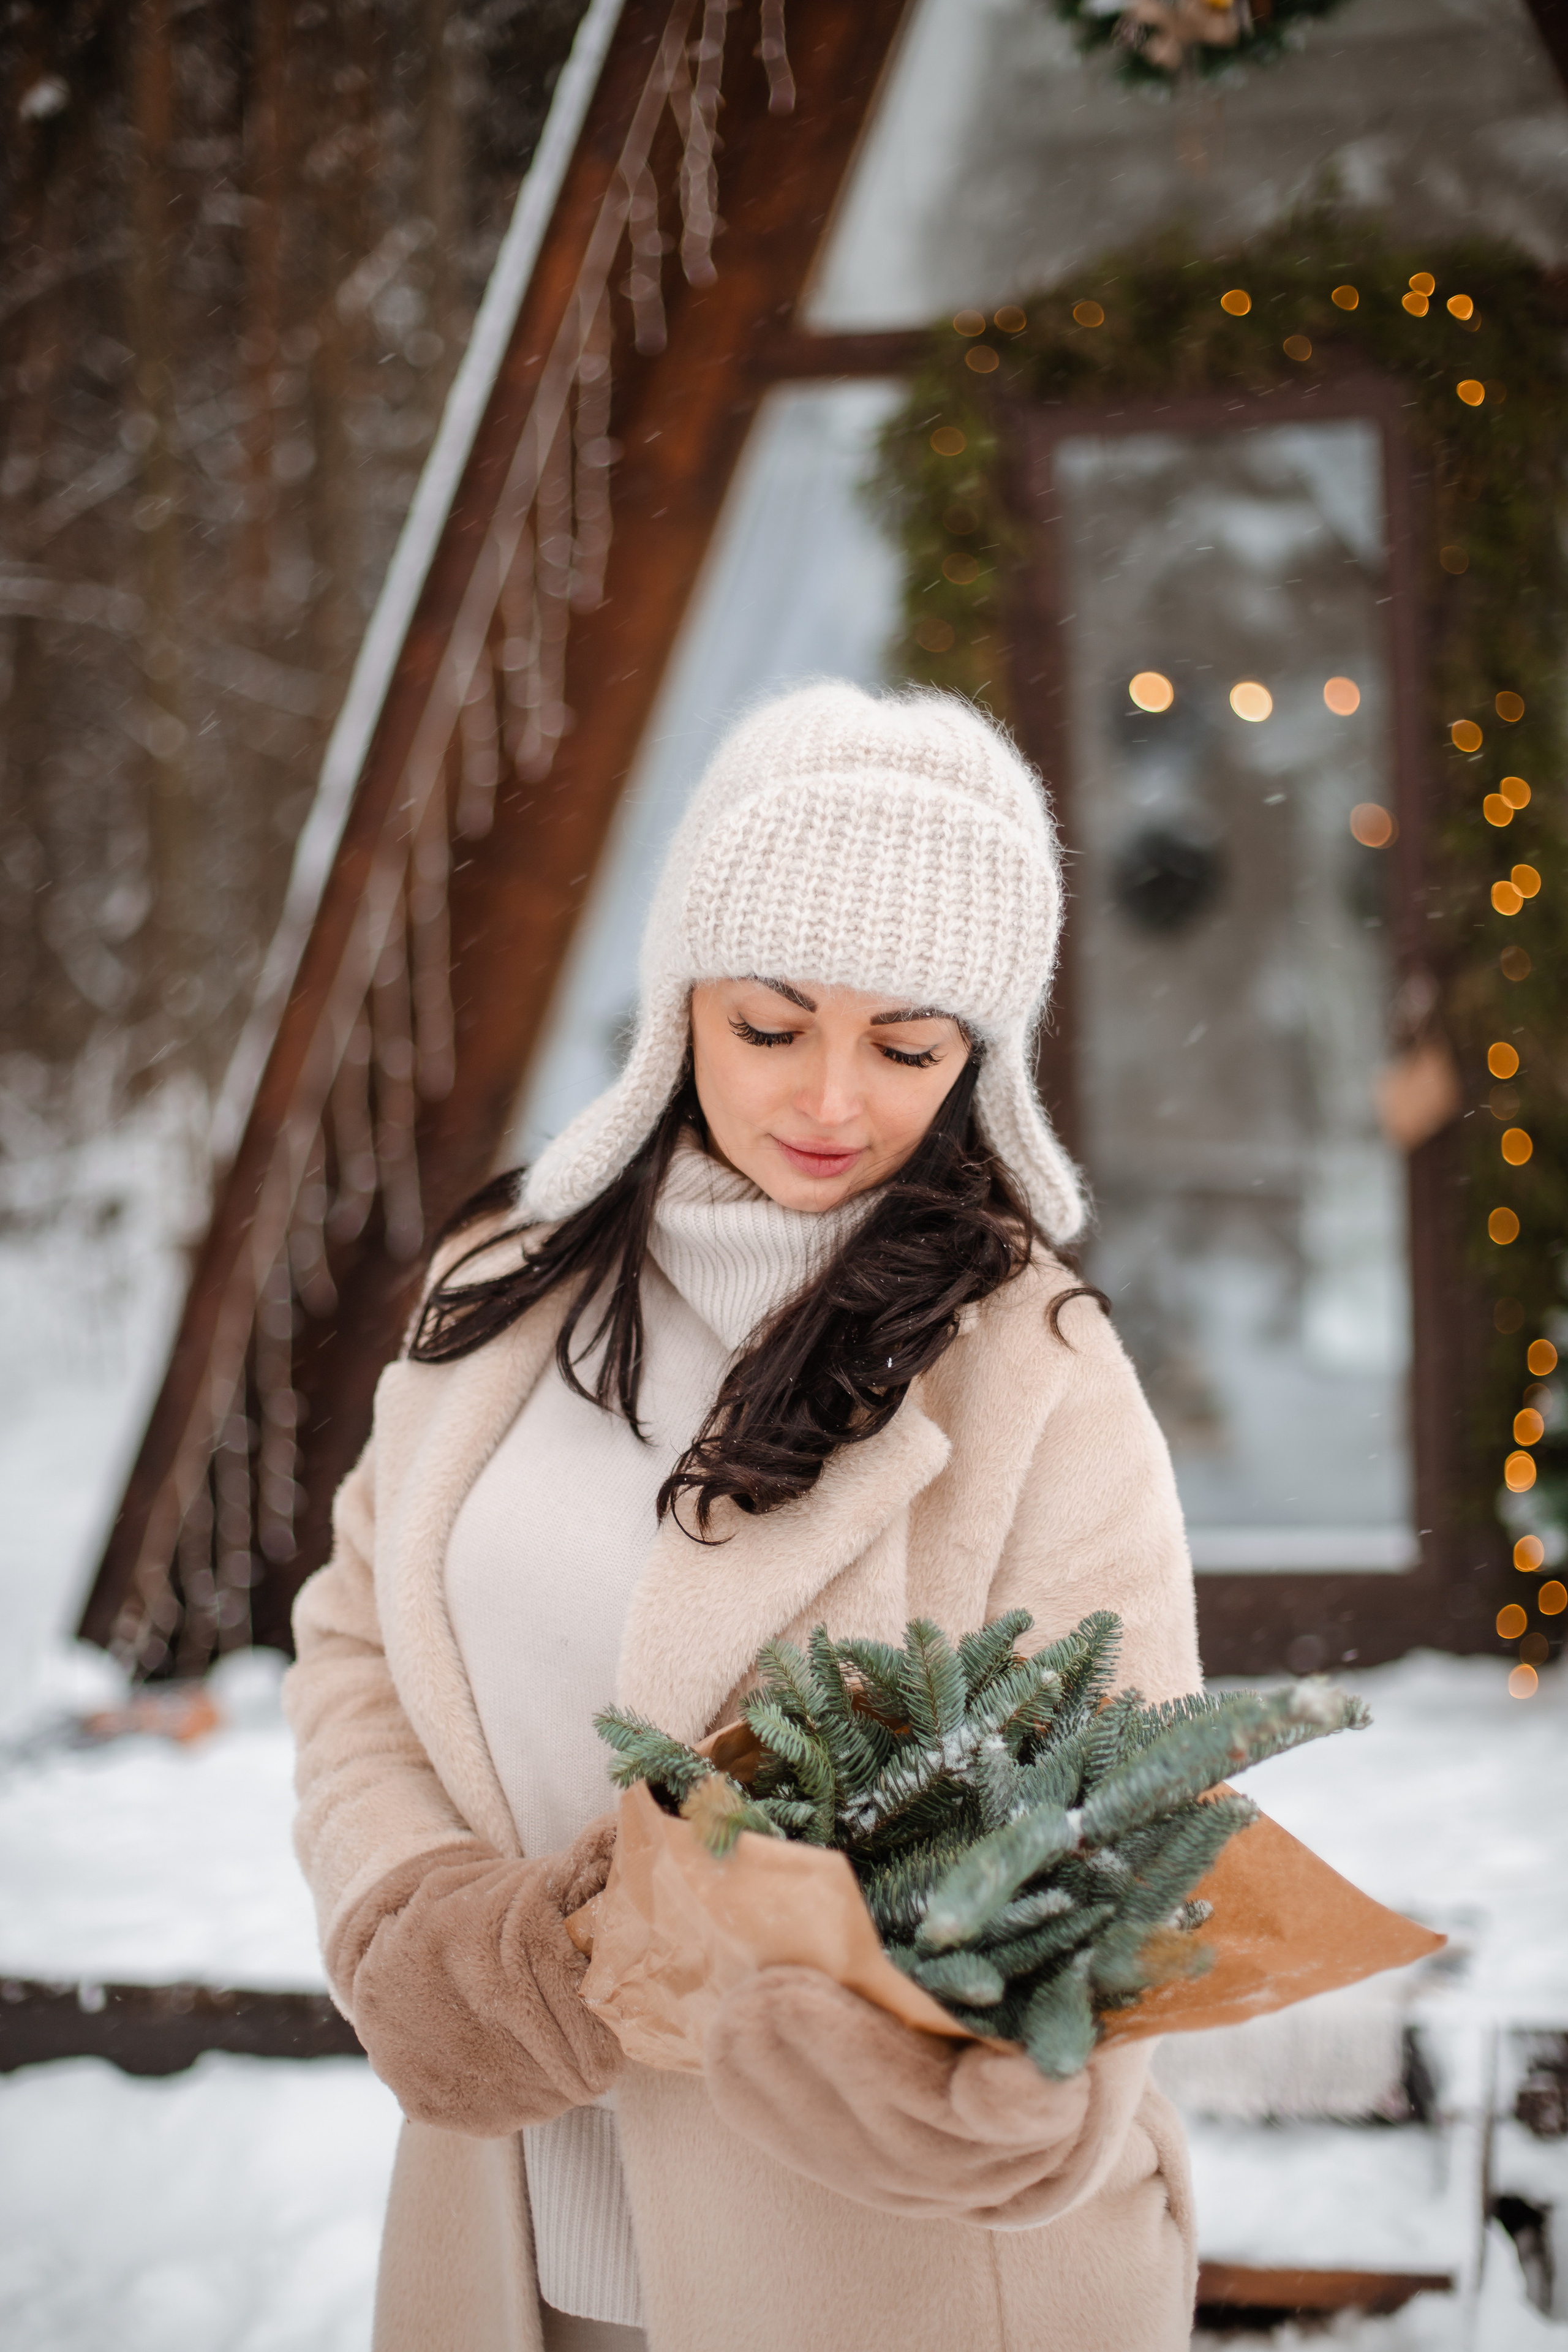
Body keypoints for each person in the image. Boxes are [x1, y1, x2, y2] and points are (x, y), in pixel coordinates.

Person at [285, 681, 1203, 2352]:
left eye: (908, 1044)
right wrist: (434, 1929)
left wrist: (999, 2072)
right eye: (772, 1026)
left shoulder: (1031, 1366)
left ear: (981, 1059)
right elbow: (358, 1644)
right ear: (680, 1003)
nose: (833, 1100)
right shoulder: (505, 1293)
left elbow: (1124, 1811)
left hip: (891, 2277)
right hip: (515, 2244)